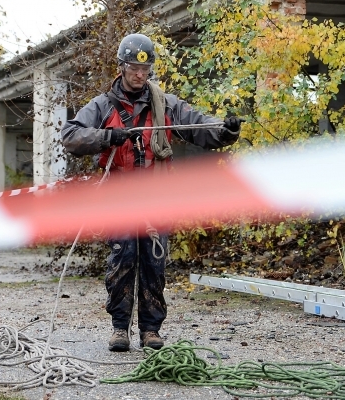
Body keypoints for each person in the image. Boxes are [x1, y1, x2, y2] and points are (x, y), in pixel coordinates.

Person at [61, 33, 241, 352]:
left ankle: (151, 330)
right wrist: (108, 136)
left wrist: (225, 131)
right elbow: (71, 136)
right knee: (122, 260)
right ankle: (120, 328)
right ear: (122, 67)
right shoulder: (103, 106)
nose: (140, 75)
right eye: (134, 68)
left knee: (154, 264)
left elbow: (198, 125)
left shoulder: (166, 104)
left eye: (145, 69)